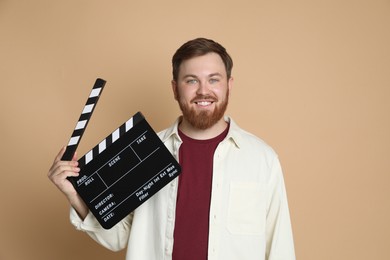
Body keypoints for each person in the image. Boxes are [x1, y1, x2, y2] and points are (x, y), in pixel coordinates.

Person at [48, 37, 296, 260]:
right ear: (175, 88)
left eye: (214, 80)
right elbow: (118, 238)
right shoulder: (143, 152)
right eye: (191, 80)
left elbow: (279, 249)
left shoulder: (261, 159)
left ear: (229, 85)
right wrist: (74, 195)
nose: (203, 91)